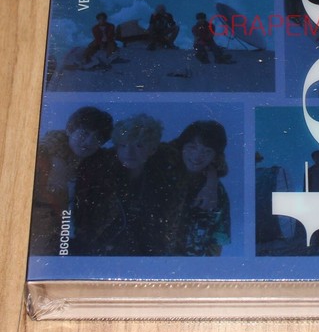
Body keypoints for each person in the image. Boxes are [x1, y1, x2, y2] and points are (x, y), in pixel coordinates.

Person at [74, 113, 182, 256]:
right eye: (123, 146)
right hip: (99, 253)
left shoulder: (163, 178)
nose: (129, 152)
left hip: (143, 254)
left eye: (138, 146)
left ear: (153, 149)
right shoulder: (100, 172)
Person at [30, 107, 113, 255]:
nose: (89, 142)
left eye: (97, 138)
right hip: (39, 245)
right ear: (70, 130)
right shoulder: (42, 157)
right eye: (84, 133)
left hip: (73, 245)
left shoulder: (95, 166)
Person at [172, 121, 231, 256]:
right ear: (181, 147)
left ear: (215, 156)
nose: (197, 156)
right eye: (192, 147)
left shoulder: (218, 191)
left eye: (207, 151)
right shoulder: (161, 176)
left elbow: (218, 239)